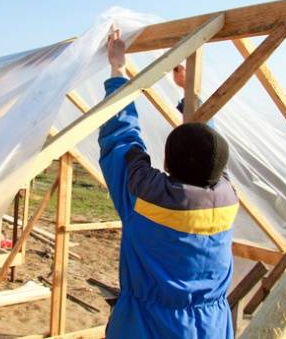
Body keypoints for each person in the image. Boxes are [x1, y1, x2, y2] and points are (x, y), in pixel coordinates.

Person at [98, 26, 238, 338]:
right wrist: (189, 92)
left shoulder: (146, 199)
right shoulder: (227, 198)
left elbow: (121, 141)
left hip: (146, 327)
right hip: (211, 328)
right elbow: (208, 149)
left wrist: (117, 68)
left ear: (168, 163)